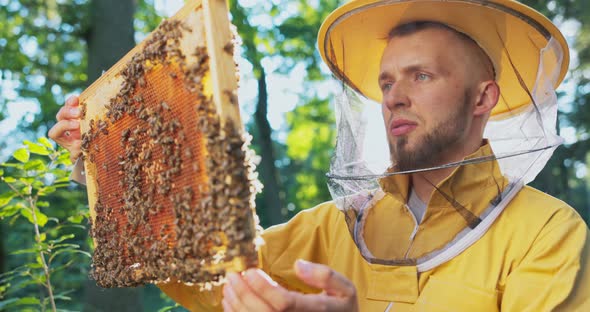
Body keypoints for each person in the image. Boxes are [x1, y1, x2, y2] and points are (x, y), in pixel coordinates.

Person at [50, 0, 590, 311]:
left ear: (483, 97)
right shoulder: (331, 228)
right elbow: (212, 280)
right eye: (385, 82)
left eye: (421, 75)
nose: (394, 96)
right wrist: (114, 166)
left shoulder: (547, 234)